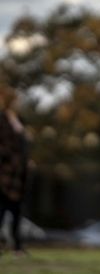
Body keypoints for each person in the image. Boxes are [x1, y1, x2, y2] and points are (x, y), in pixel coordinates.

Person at [0, 86, 29, 257]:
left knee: (17, 211)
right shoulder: (1, 120)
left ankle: (16, 246)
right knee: (2, 210)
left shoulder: (19, 120)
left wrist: (27, 160)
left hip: (18, 174)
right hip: (4, 173)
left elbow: (23, 145)